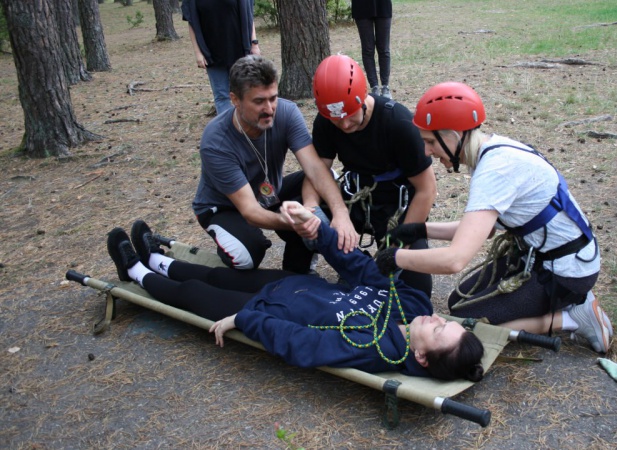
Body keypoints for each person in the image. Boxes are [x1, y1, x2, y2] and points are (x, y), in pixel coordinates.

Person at [105, 203, 485, 382]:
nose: (436, 317)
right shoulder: (413, 304)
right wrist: (320, 233)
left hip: (264, 312)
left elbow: (303, 344)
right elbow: (361, 269)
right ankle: (156, 258)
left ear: (420, 357)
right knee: (212, 275)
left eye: (437, 330)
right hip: (294, 285)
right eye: (445, 323)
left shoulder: (374, 348)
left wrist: (246, 319)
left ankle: (135, 271)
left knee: (191, 292)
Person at [374, 82, 612, 354]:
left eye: (429, 141)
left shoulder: (494, 172)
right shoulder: (495, 150)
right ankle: (563, 303)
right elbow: (482, 231)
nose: (427, 151)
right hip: (544, 257)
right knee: (458, 302)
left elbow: (455, 260)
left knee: (472, 321)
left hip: (566, 272)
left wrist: (395, 258)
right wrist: (418, 230)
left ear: (453, 135)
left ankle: (573, 317)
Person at [192, 55, 357, 274]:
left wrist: (339, 213)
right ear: (235, 99)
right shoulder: (216, 142)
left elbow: (316, 169)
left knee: (328, 183)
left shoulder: (287, 112)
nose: (269, 109)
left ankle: (297, 270)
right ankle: (237, 239)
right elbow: (250, 211)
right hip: (226, 207)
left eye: (273, 98)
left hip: (267, 192)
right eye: (259, 101)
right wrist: (299, 223)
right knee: (247, 255)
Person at [304, 54, 436, 296]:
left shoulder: (398, 123)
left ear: (363, 97)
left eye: (350, 115)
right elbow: (316, 172)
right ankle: (312, 267)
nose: (344, 126)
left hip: (396, 204)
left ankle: (370, 263)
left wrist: (397, 246)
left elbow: (427, 189)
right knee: (307, 220)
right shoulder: (325, 122)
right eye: (336, 119)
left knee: (416, 289)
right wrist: (313, 211)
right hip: (355, 196)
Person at [182, 0, 260, 115]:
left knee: (246, 93)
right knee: (221, 96)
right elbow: (192, 22)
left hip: (241, 52)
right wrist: (198, 53)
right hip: (212, 54)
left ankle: (249, 127)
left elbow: (249, 15)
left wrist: (254, 44)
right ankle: (229, 130)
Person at [352, 0, 393, 99]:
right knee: (368, 50)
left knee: (384, 49)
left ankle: (385, 86)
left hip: (383, 5)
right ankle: (374, 87)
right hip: (361, 6)